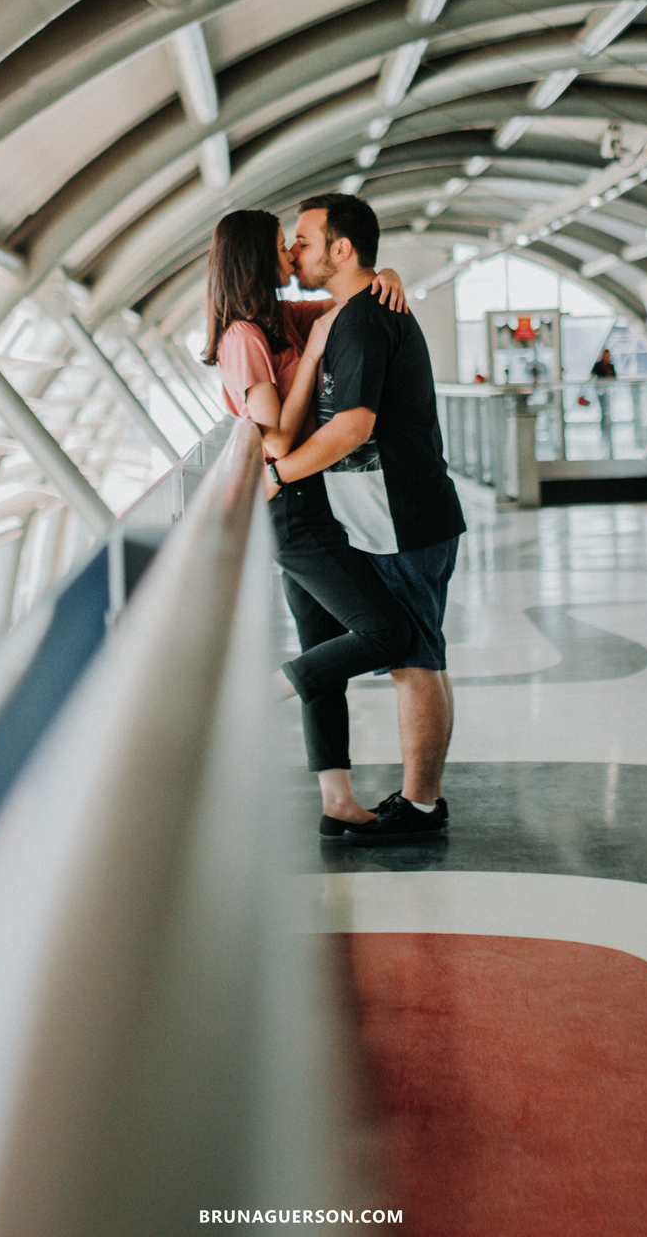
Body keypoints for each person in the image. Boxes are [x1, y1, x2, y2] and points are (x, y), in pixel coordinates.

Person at [205, 210, 417, 835]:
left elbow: (345, 298)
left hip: (307, 500)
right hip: (289, 507)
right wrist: (319, 347)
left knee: (325, 645)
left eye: (295, 241)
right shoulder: (243, 336)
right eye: (280, 245)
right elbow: (276, 439)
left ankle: (337, 801)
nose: (291, 253)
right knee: (387, 633)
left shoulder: (281, 319)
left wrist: (389, 274)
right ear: (252, 258)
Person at [263, 194, 465, 844]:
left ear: (339, 249)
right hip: (392, 515)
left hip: (403, 516)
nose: (295, 249)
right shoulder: (358, 309)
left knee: (415, 658)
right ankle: (421, 800)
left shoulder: (362, 320)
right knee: (416, 655)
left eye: (304, 238)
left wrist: (276, 475)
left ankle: (423, 805)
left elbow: (354, 426)